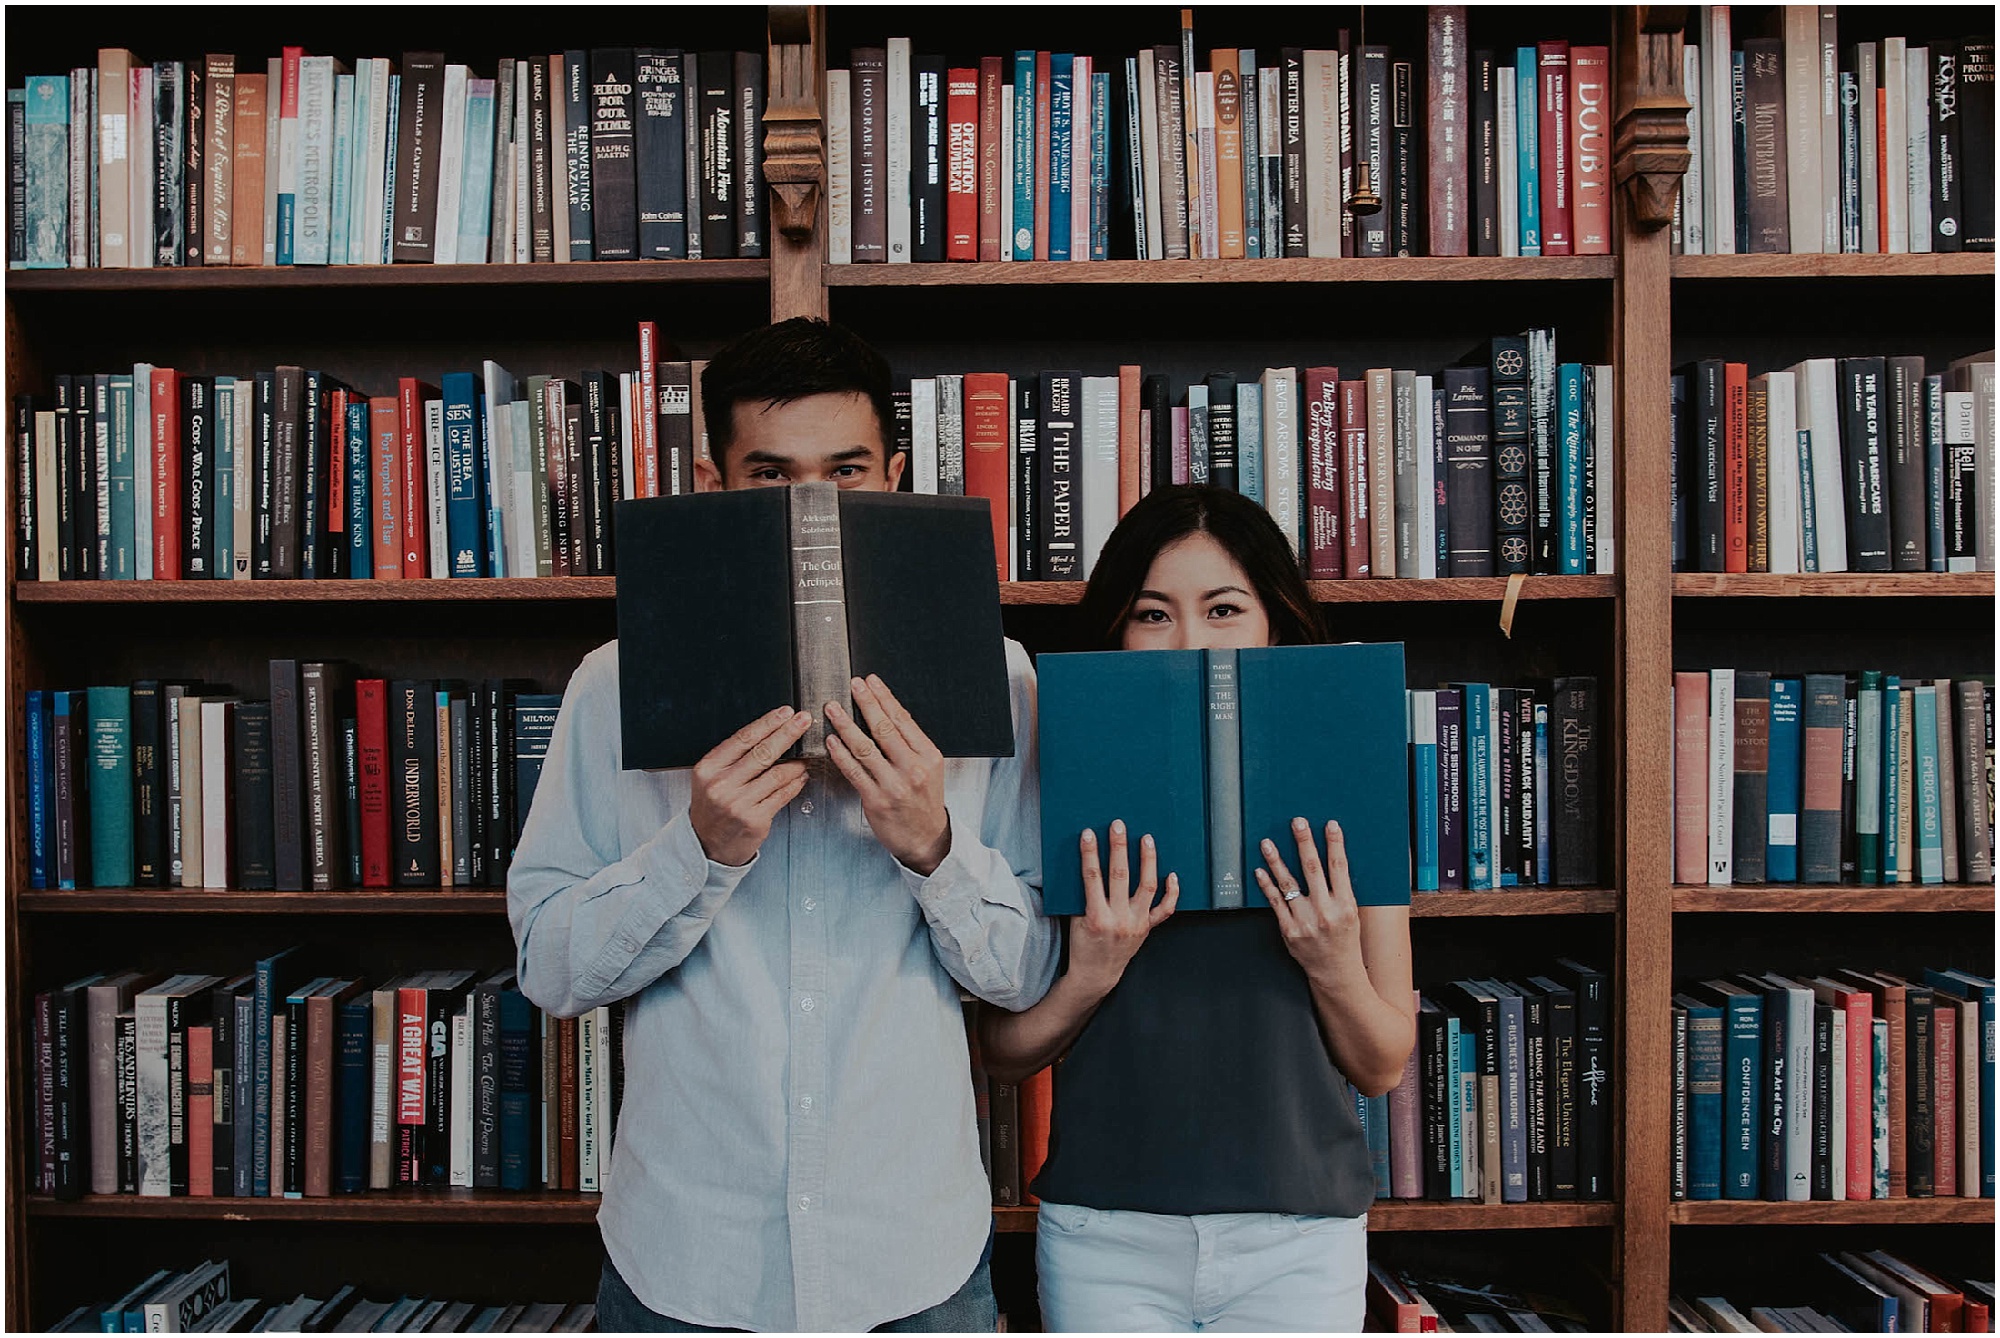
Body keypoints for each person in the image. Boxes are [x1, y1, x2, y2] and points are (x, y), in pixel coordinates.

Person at [508, 318, 1058, 1332]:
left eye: (845, 474)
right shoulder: (610, 685)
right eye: (773, 477)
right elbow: (548, 969)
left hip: (913, 1261)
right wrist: (697, 850)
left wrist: (931, 844)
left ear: (893, 479)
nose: (814, 509)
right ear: (715, 488)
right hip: (684, 1263)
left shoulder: (1001, 681)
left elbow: (1023, 974)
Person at [978, 484, 1417, 1333]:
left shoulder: (1345, 771)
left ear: (1273, 623)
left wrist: (1331, 964)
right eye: (1153, 614)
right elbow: (1000, 1053)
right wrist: (1090, 975)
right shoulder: (1058, 776)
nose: (1188, 641)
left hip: (1300, 1234)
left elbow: (1382, 1062)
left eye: (1223, 609)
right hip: (1106, 1232)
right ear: (1116, 629)